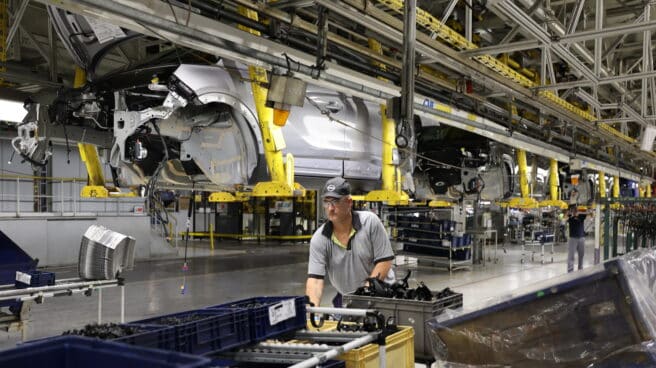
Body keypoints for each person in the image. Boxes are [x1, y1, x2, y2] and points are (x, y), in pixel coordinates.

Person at [306, 177, 395, 307]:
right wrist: (311, 311)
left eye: (335, 202)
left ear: (349, 202)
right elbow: (315, 280)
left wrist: (364, 294)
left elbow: (384, 261)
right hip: (348, 298)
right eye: (326, 202)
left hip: (383, 294)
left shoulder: (370, 222)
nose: (330, 209)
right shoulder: (319, 239)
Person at [567, 205, 587, 272]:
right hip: (573, 238)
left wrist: (580, 212)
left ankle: (580, 269)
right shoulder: (570, 217)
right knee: (571, 256)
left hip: (581, 238)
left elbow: (588, 213)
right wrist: (571, 214)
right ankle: (570, 271)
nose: (575, 211)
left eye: (575, 210)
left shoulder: (581, 216)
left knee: (581, 255)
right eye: (573, 210)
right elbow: (564, 217)